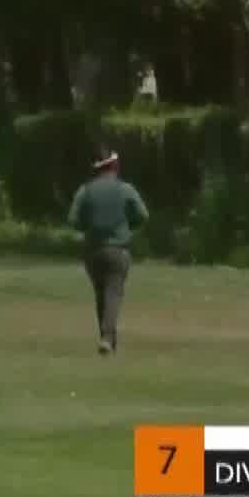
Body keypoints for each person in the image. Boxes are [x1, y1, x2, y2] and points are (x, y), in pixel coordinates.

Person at [67, 147, 149, 355]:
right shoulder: (125, 189)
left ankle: (108, 340)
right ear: (113, 166)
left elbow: (73, 220)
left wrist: (89, 227)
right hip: (118, 249)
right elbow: (142, 214)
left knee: (101, 294)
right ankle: (106, 337)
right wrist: (128, 226)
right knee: (113, 293)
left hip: (92, 251)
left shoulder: (85, 190)